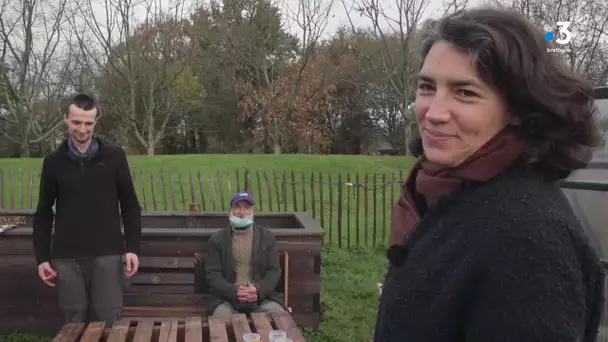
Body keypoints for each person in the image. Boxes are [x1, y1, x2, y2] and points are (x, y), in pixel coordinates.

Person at [375, 7, 605, 342]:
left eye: (465, 92)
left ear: (517, 109)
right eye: (427, 87)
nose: (433, 113)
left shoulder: (527, 241)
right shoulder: (452, 194)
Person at [32, 93, 142, 324]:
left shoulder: (114, 157)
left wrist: (132, 247)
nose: (82, 129)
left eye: (88, 123)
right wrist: (42, 258)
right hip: (67, 258)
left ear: (95, 122)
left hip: (108, 255)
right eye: (76, 122)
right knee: (74, 323)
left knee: (108, 321)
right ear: (66, 119)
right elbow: (43, 213)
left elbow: (130, 205)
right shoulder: (53, 162)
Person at [206, 191, 286, 318]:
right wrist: (235, 291)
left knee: (280, 317)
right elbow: (213, 275)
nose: (242, 212)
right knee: (220, 323)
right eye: (237, 207)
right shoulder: (217, 240)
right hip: (227, 300)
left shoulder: (267, 237)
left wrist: (258, 290)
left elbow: (274, 271)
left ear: (253, 212)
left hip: (262, 299)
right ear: (230, 211)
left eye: (246, 208)